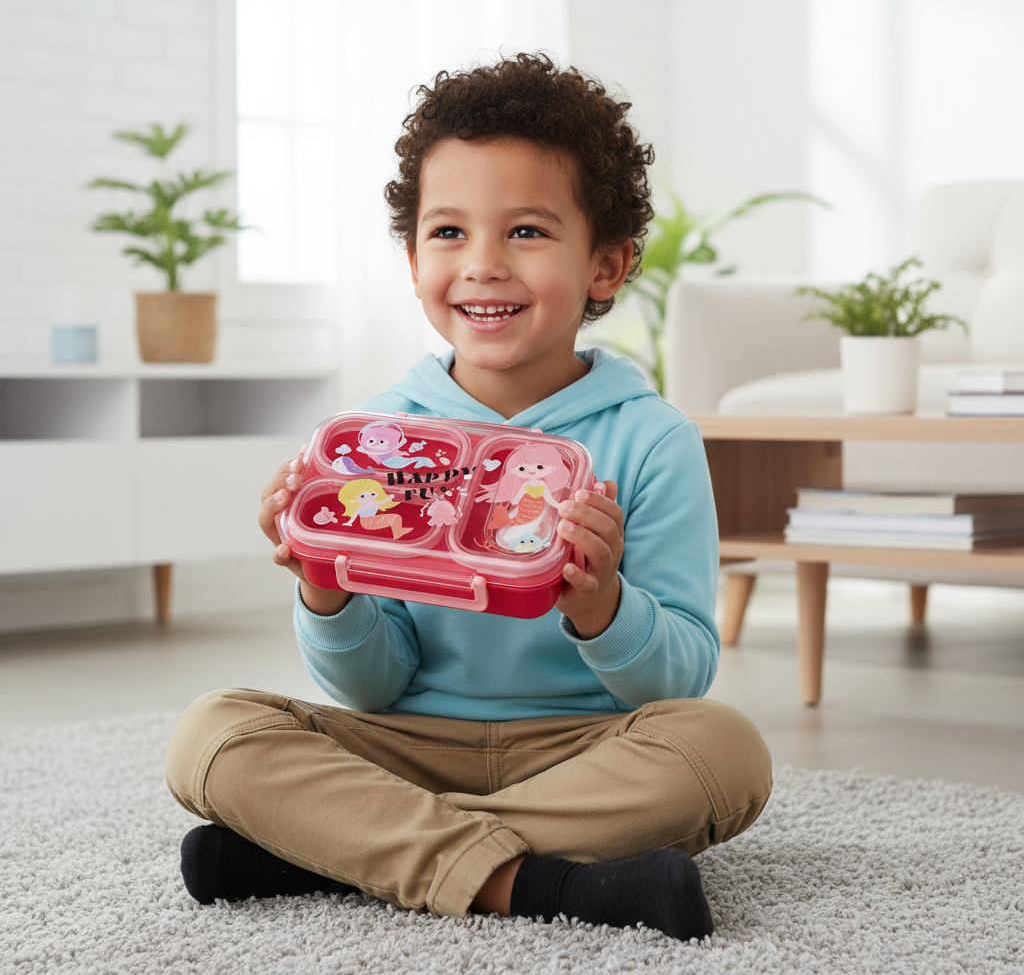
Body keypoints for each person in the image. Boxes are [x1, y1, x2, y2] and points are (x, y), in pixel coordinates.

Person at [165, 53, 772, 943]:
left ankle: (333, 853)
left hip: (582, 749)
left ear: (606, 264)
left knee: (725, 752)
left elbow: (682, 673)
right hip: (407, 745)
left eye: (526, 231)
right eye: (448, 232)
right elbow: (374, 688)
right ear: (412, 261)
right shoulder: (377, 436)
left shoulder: (653, 438)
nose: (482, 264)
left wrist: (605, 609)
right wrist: (325, 588)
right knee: (209, 733)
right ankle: (535, 884)